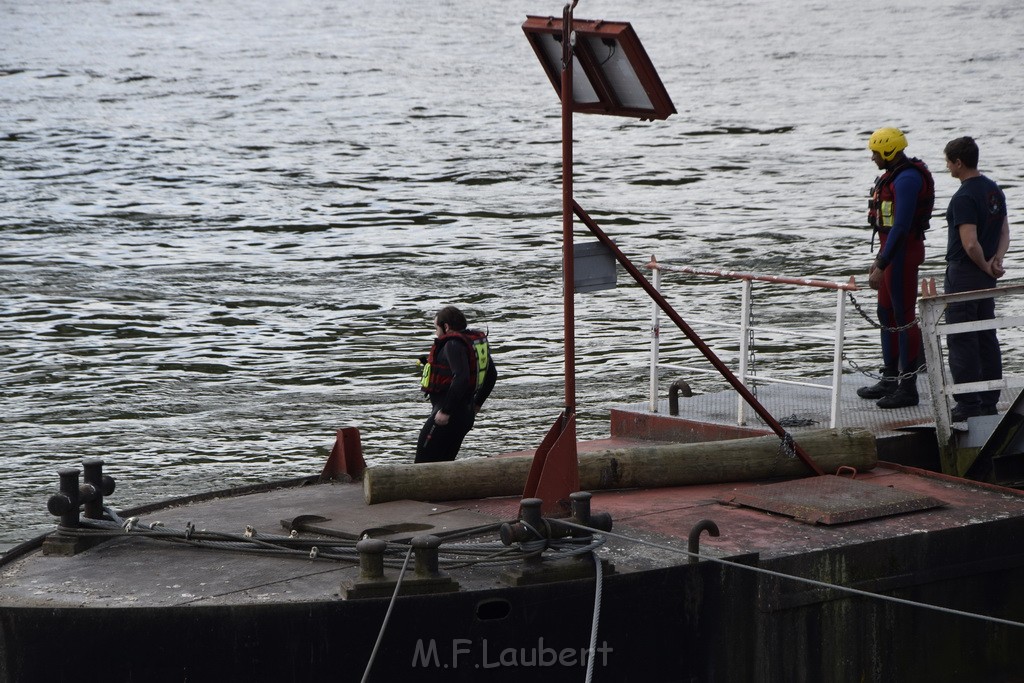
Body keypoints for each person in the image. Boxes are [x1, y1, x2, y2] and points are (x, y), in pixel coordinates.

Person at [857, 127, 935, 409]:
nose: (873, 158)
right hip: (891, 252)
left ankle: (908, 387)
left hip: (902, 255)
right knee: (885, 312)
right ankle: (889, 378)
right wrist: (881, 257)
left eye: (875, 153)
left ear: (889, 151)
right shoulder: (893, 176)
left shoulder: (907, 179)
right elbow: (889, 230)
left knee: (903, 317)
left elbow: (901, 227)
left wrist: (883, 262)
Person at [942, 136, 1010, 422]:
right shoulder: (994, 190)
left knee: (962, 338)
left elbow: (969, 243)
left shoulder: (964, 196)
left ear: (959, 162)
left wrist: (983, 264)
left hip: (966, 272)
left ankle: (968, 403)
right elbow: (1005, 231)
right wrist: (997, 260)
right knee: (986, 335)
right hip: (986, 274)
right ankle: (989, 400)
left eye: (948, 161)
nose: (947, 167)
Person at [415, 305, 498, 463]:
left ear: (446, 327)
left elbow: (461, 378)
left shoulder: (452, 344)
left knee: (421, 465)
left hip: (448, 416)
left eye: (436, 328)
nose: (436, 333)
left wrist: (446, 411)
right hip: (465, 414)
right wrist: (477, 404)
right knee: (444, 465)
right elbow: (492, 375)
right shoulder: (473, 343)